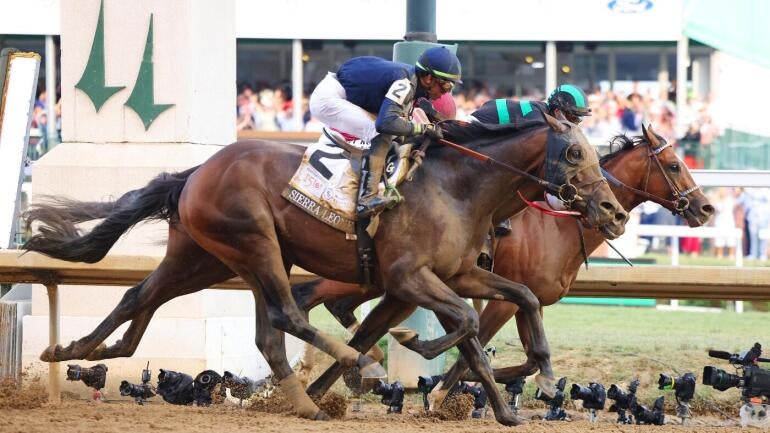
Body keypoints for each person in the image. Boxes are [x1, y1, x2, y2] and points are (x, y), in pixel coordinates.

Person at [309, 46, 461, 218]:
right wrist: (423, 128)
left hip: (340, 89)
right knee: (381, 132)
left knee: (393, 131)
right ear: (428, 78)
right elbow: (385, 124)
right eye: (446, 86)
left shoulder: (411, 80)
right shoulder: (406, 84)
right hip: (329, 98)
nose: (445, 93)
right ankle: (366, 201)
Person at [469, 84, 592, 126]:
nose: (575, 124)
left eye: (578, 119)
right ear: (557, 111)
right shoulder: (538, 120)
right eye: (573, 118)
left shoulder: (541, 113)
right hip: (475, 125)